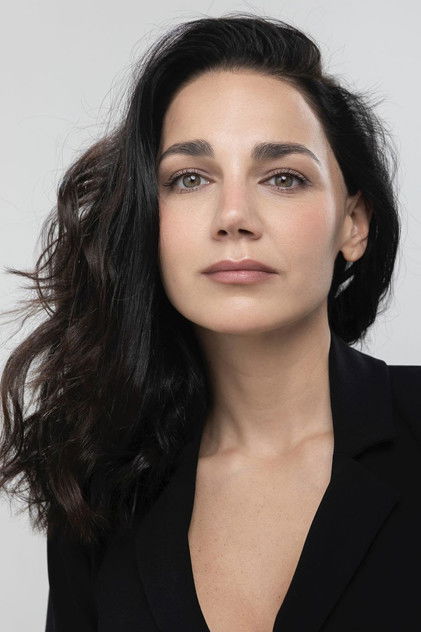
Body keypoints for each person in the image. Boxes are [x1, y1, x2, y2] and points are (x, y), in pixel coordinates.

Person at [0, 12, 420, 632]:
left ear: (353, 223)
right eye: (189, 178)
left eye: (283, 177)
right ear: (148, 219)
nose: (233, 216)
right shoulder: (102, 485)